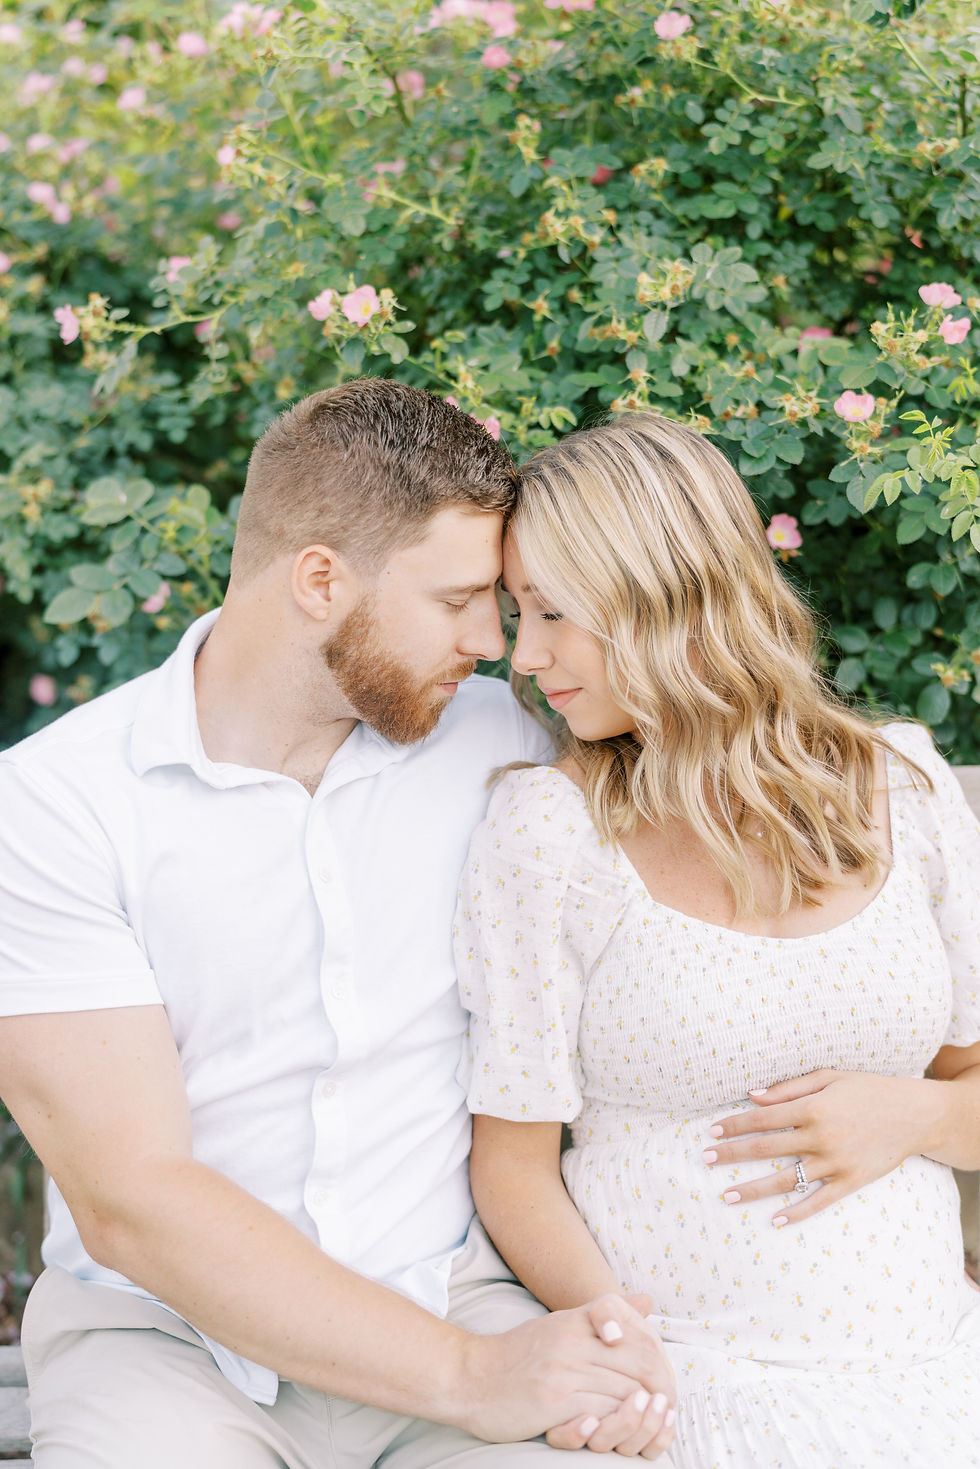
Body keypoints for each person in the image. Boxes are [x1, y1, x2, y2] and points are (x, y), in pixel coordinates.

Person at [0, 380, 677, 1468]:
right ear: (319, 578)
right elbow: (133, 1198)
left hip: (456, 1292)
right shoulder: (57, 805)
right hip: (164, 1342)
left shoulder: (505, 745)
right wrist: (471, 1375)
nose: (493, 639)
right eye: (457, 597)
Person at [455, 410, 980, 1468]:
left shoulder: (903, 786)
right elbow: (509, 1168)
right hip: (687, 1374)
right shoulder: (551, 833)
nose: (525, 657)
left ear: (667, 597)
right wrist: (625, 1343)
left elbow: (965, 1087)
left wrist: (918, 1111)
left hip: (933, 1359)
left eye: (554, 612)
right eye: (519, 611)